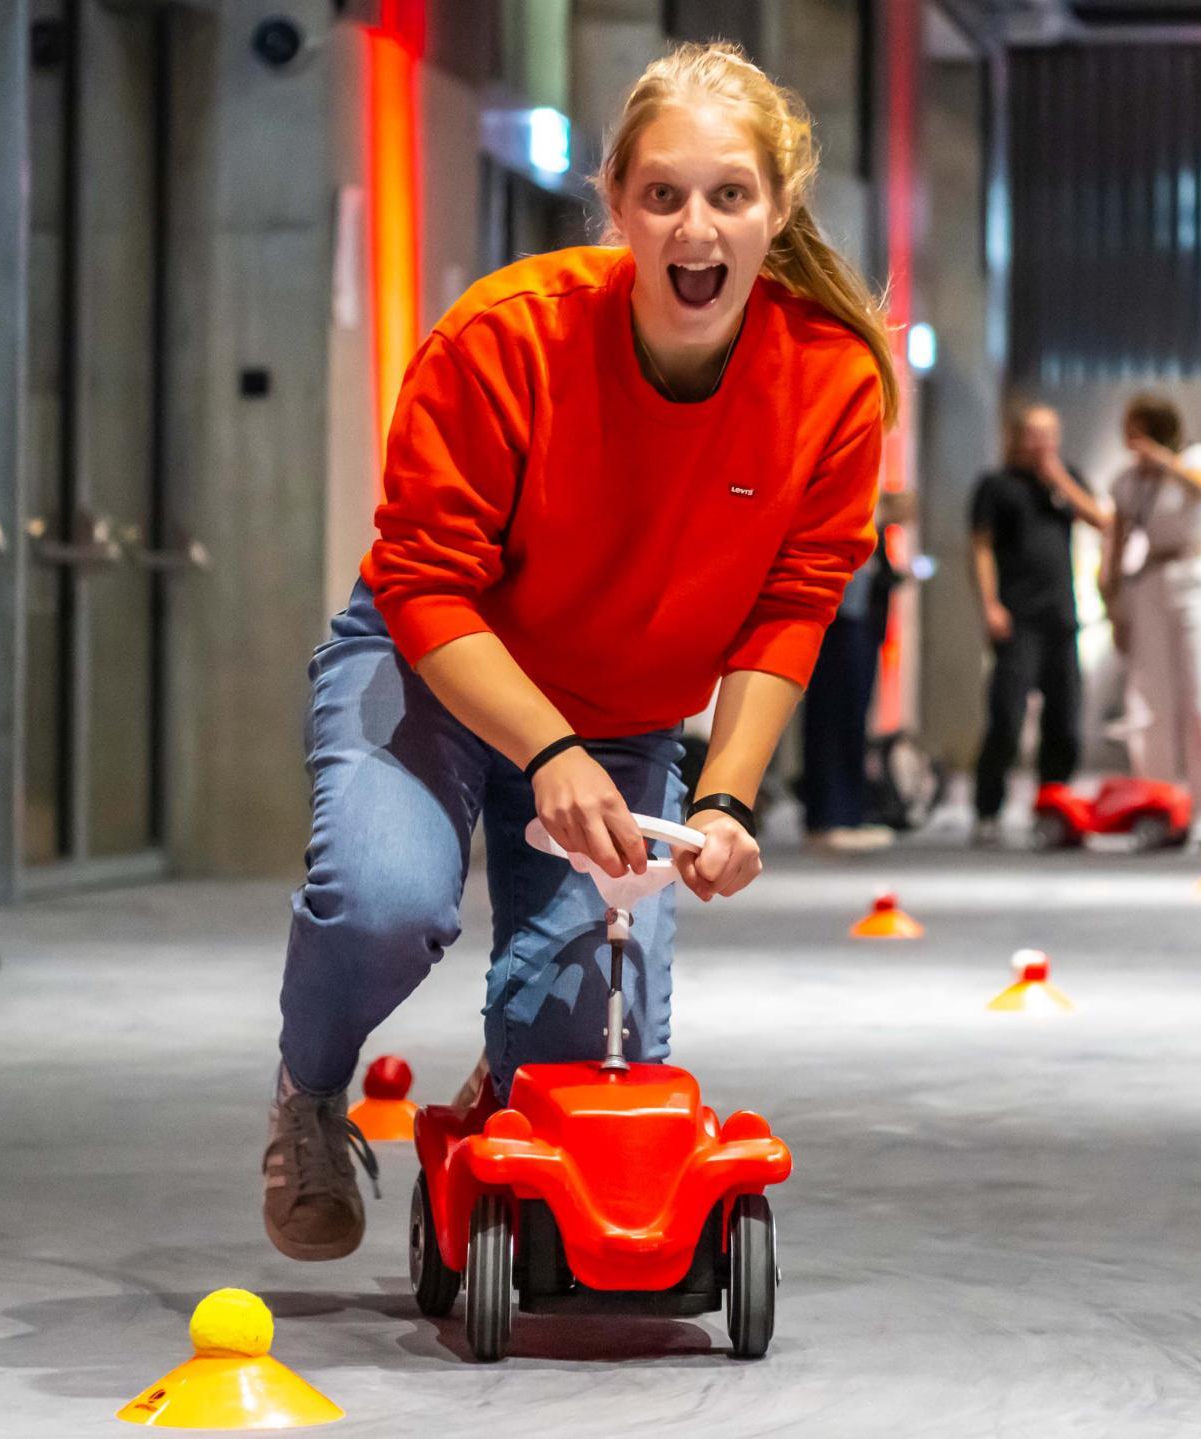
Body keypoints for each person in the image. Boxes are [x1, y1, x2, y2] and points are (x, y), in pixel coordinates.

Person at [263, 43, 893, 1262]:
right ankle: (308, 1090)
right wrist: (544, 745)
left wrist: (721, 797)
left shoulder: (830, 382)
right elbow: (429, 579)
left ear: (777, 209)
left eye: (729, 195)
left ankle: (494, 1106)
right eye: (662, 194)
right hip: (433, 667)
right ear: (616, 202)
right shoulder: (507, 338)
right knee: (385, 903)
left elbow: (793, 603)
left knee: (588, 1045)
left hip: (622, 714)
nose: (694, 230)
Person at [1101, 395, 1201, 849]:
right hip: (1150, 582)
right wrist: (1113, 599)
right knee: (1149, 704)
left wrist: (1161, 461)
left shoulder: (1194, 459)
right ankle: (1159, 807)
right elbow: (1117, 542)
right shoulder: (1125, 482)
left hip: (1197, 577)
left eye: (1135, 427)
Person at [969, 405, 1107, 845]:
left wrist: (1059, 480)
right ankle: (987, 811)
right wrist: (990, 604)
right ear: (1017, 438)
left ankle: (1052, 807)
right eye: (1033, 435)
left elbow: (1101, 520)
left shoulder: (1066, 480)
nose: (1041, 444)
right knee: (1006, 716)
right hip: (1017, 619)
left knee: (1064, 720)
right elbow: (981, 548)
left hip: (1062, 618)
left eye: (1049, 435)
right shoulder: (995, 485)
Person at [800, 491, 909, 853]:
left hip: (857, 613)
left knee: (850, 718)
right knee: (832, 716)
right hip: (836, 612)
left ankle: (846, 813)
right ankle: (829, 816)